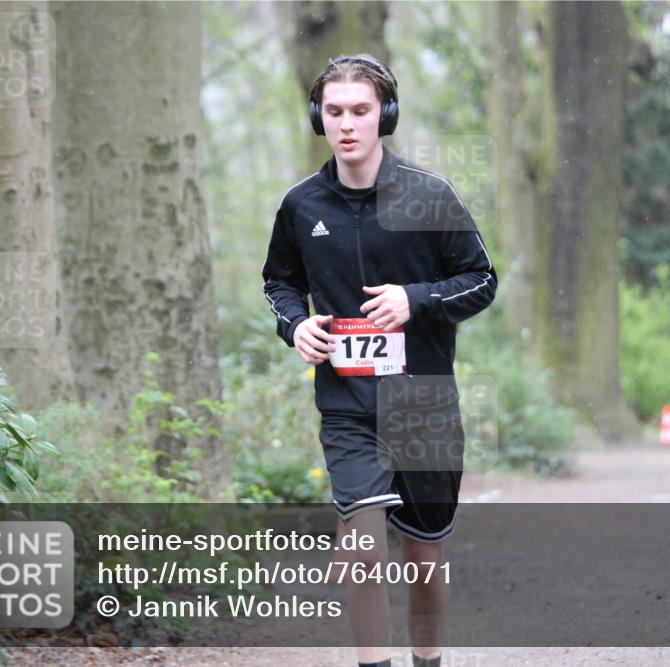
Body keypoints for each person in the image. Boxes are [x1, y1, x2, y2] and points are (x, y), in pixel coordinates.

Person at [261, 54, 498, 667]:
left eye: (360, 111)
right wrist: (296, 327)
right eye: (334, 111)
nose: (347, 124)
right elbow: (278, 284)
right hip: (347, 405)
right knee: (363, 548)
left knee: (423, 560)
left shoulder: (429, 196)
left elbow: (482, 279)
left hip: (424, 404)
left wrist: (415, 300)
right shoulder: (301, 206)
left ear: (384, 116)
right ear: (319, 117)